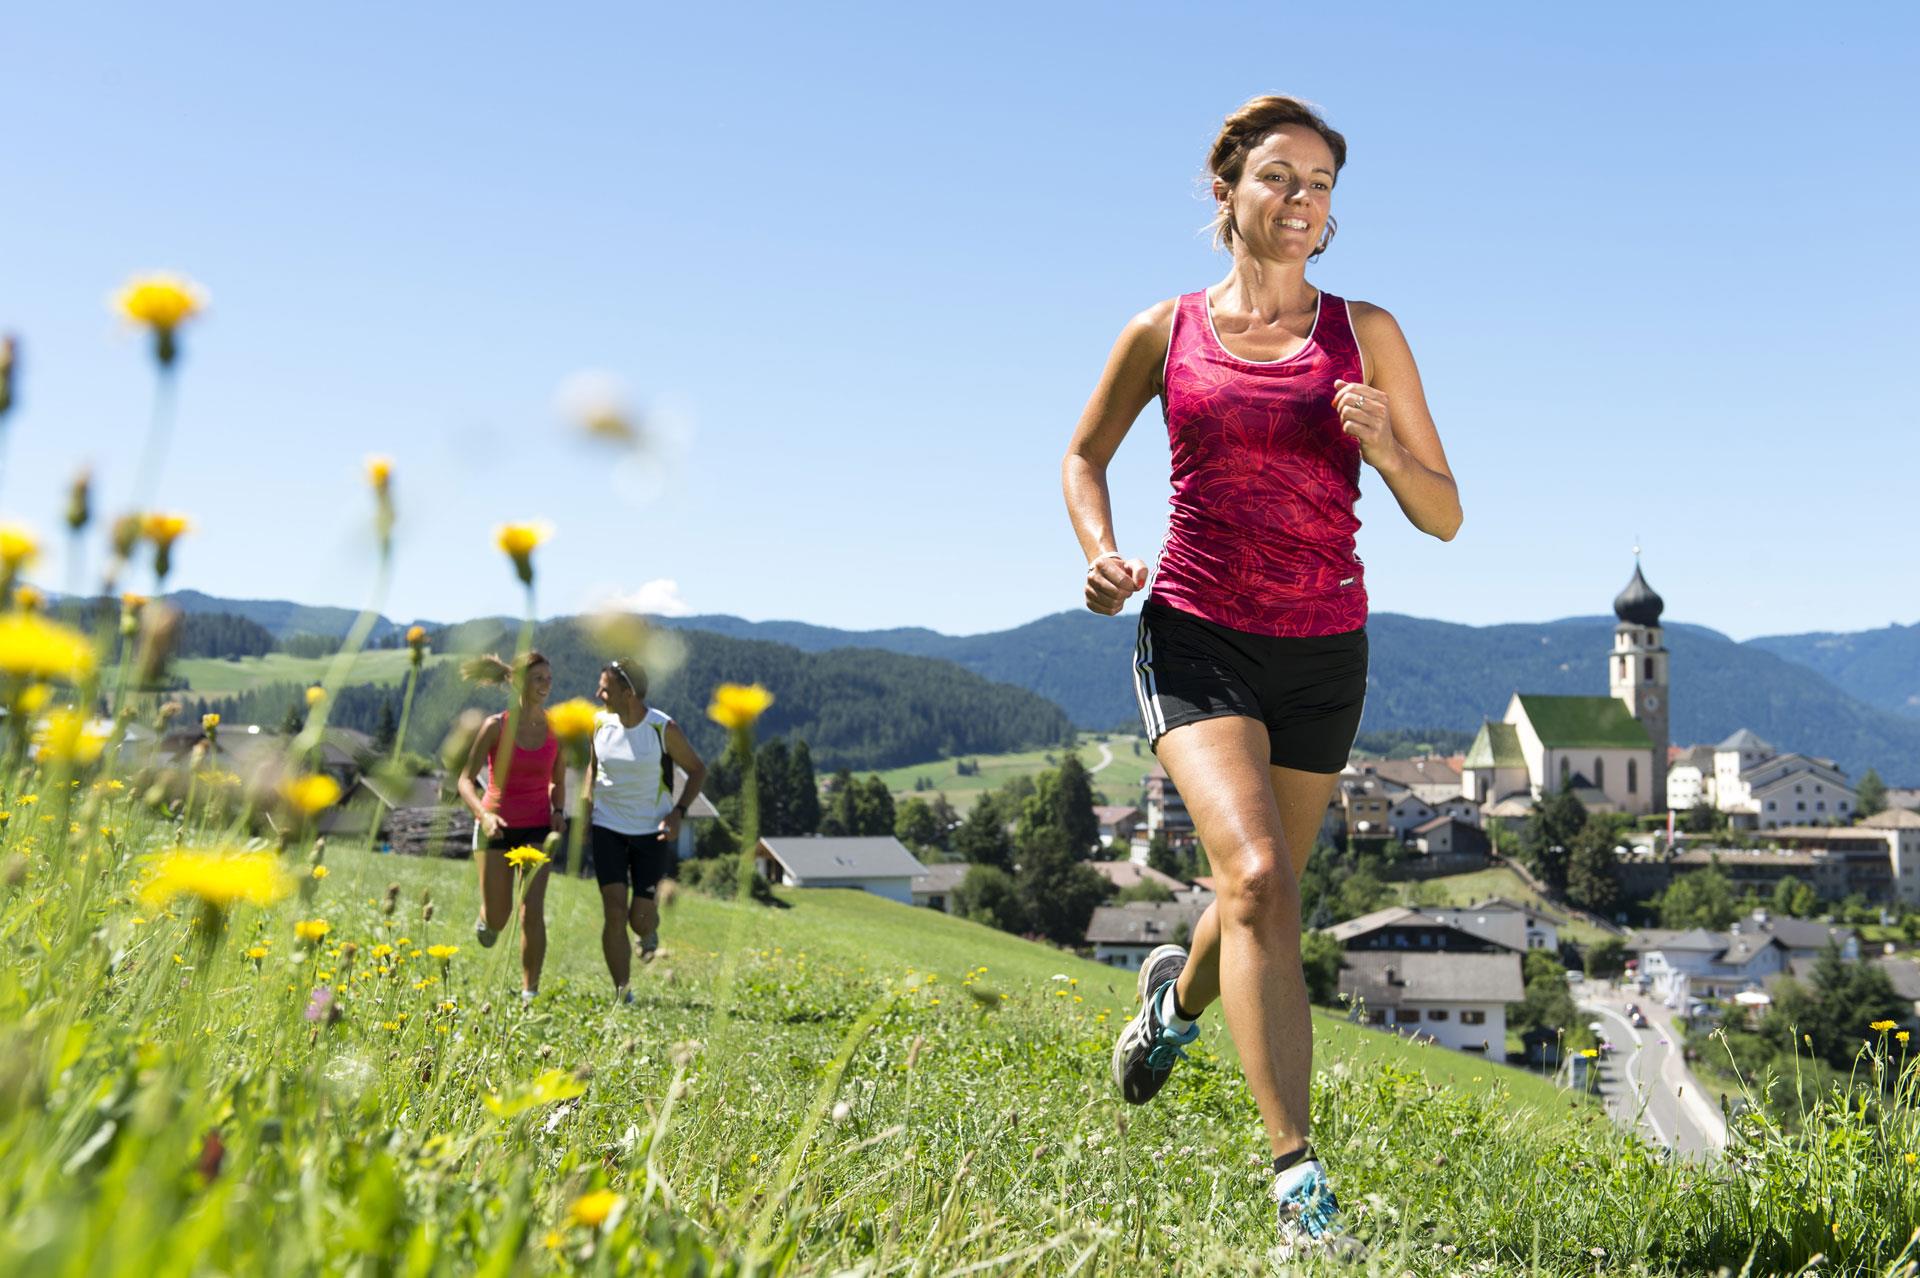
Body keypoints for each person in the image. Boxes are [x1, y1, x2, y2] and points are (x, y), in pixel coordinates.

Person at [1061, 95, 1461, 1253]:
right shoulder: (1164, 332)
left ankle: (1170, 1010)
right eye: (1280, 178)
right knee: (1257, 883)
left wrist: (1384, 446)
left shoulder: (1368, 330)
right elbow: (1085, 454)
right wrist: (1101, 555)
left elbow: (1444, 516)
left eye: (1323, 184)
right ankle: (1301, 1190)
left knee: (1259, 892)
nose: (1302, 202)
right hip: (1196, 634)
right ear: (1226, 186)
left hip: (1326, 651)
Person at [582, 659, 706, 1003]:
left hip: (651, 832)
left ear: (628, 693)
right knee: (614, 910)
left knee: (639, 919)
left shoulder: (661, 728)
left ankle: (648, 931)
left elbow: (697, 770)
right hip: (607, 827)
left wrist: (679, 813)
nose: (598, 694)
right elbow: (593, 769)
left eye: (605, 688)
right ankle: (623, 991)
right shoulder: (598, 723)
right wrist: (584, 807)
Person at [456, 649, 566, 1002]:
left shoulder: (556, 729)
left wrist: (559, 810)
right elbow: (465, 780)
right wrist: (484, 816)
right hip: (496, 827)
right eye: (538, 679)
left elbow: (557, 781)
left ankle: (529, 992)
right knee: (500, 919)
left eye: (549, 679)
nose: (545, 685)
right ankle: (487, 919)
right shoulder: (496, 726)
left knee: (532, 910)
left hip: (536, 829)